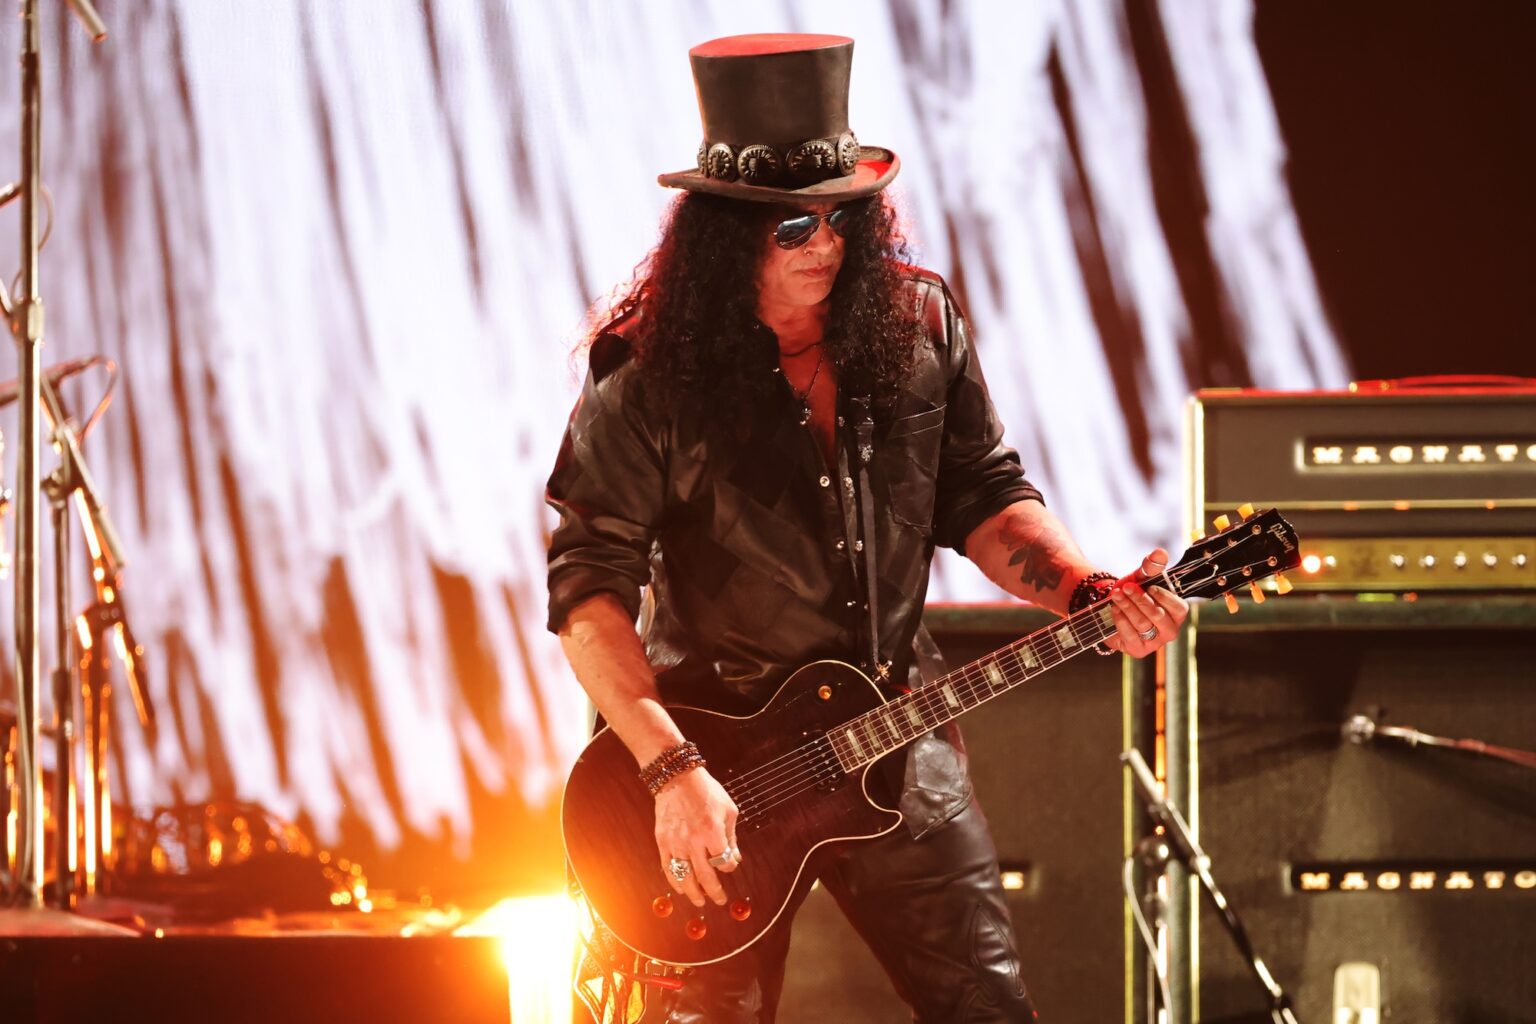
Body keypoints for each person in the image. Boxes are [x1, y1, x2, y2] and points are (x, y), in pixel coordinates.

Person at [546, 33, 1189, 1023]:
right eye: (794, 228)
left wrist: (1084, 591)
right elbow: (587, 594)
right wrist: (670, 769)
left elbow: (980, 493)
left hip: (896, 727)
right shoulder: (647, 378)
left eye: (845, 216)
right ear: (727, 243)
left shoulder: (919, 325)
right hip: (713, 769)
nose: (829, 246)